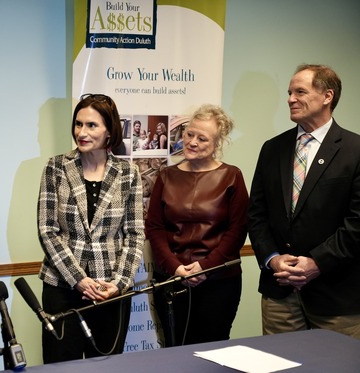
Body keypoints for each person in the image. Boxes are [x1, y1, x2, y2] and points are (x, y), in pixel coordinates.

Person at [248, 64, 360, 338]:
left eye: (300, 91)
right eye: (289, 92)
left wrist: (317, 262)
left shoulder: (354, 150)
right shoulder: (272, 148)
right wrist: (273, 259)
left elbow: (357, 223)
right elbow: (256, 215)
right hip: (280, 292)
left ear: (327, 96)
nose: (290, 99)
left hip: (336, 296)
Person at [37, 93, 145, 363]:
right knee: (60, 367)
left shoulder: (128, 173)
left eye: (91, 125)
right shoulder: (56, 167)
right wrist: (78, 280)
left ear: (109, 131)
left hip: (109, 291)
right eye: (78, 124)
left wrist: (119, 284)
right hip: (62, 288)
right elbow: (47, 230)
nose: (81, 132)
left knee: (107, 367)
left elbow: (134, 234)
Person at [145, 104, 248, 347]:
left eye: (202, 138)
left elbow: (237, 231)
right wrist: (174, 268)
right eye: (189, 134)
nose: (192, 142)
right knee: (173, 352)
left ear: (217, 143)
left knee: (213, 352)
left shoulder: (232, 176)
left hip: (218, 283)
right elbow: (155, 228)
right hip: (171, 280)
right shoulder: (166, 175)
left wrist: (204, 267)